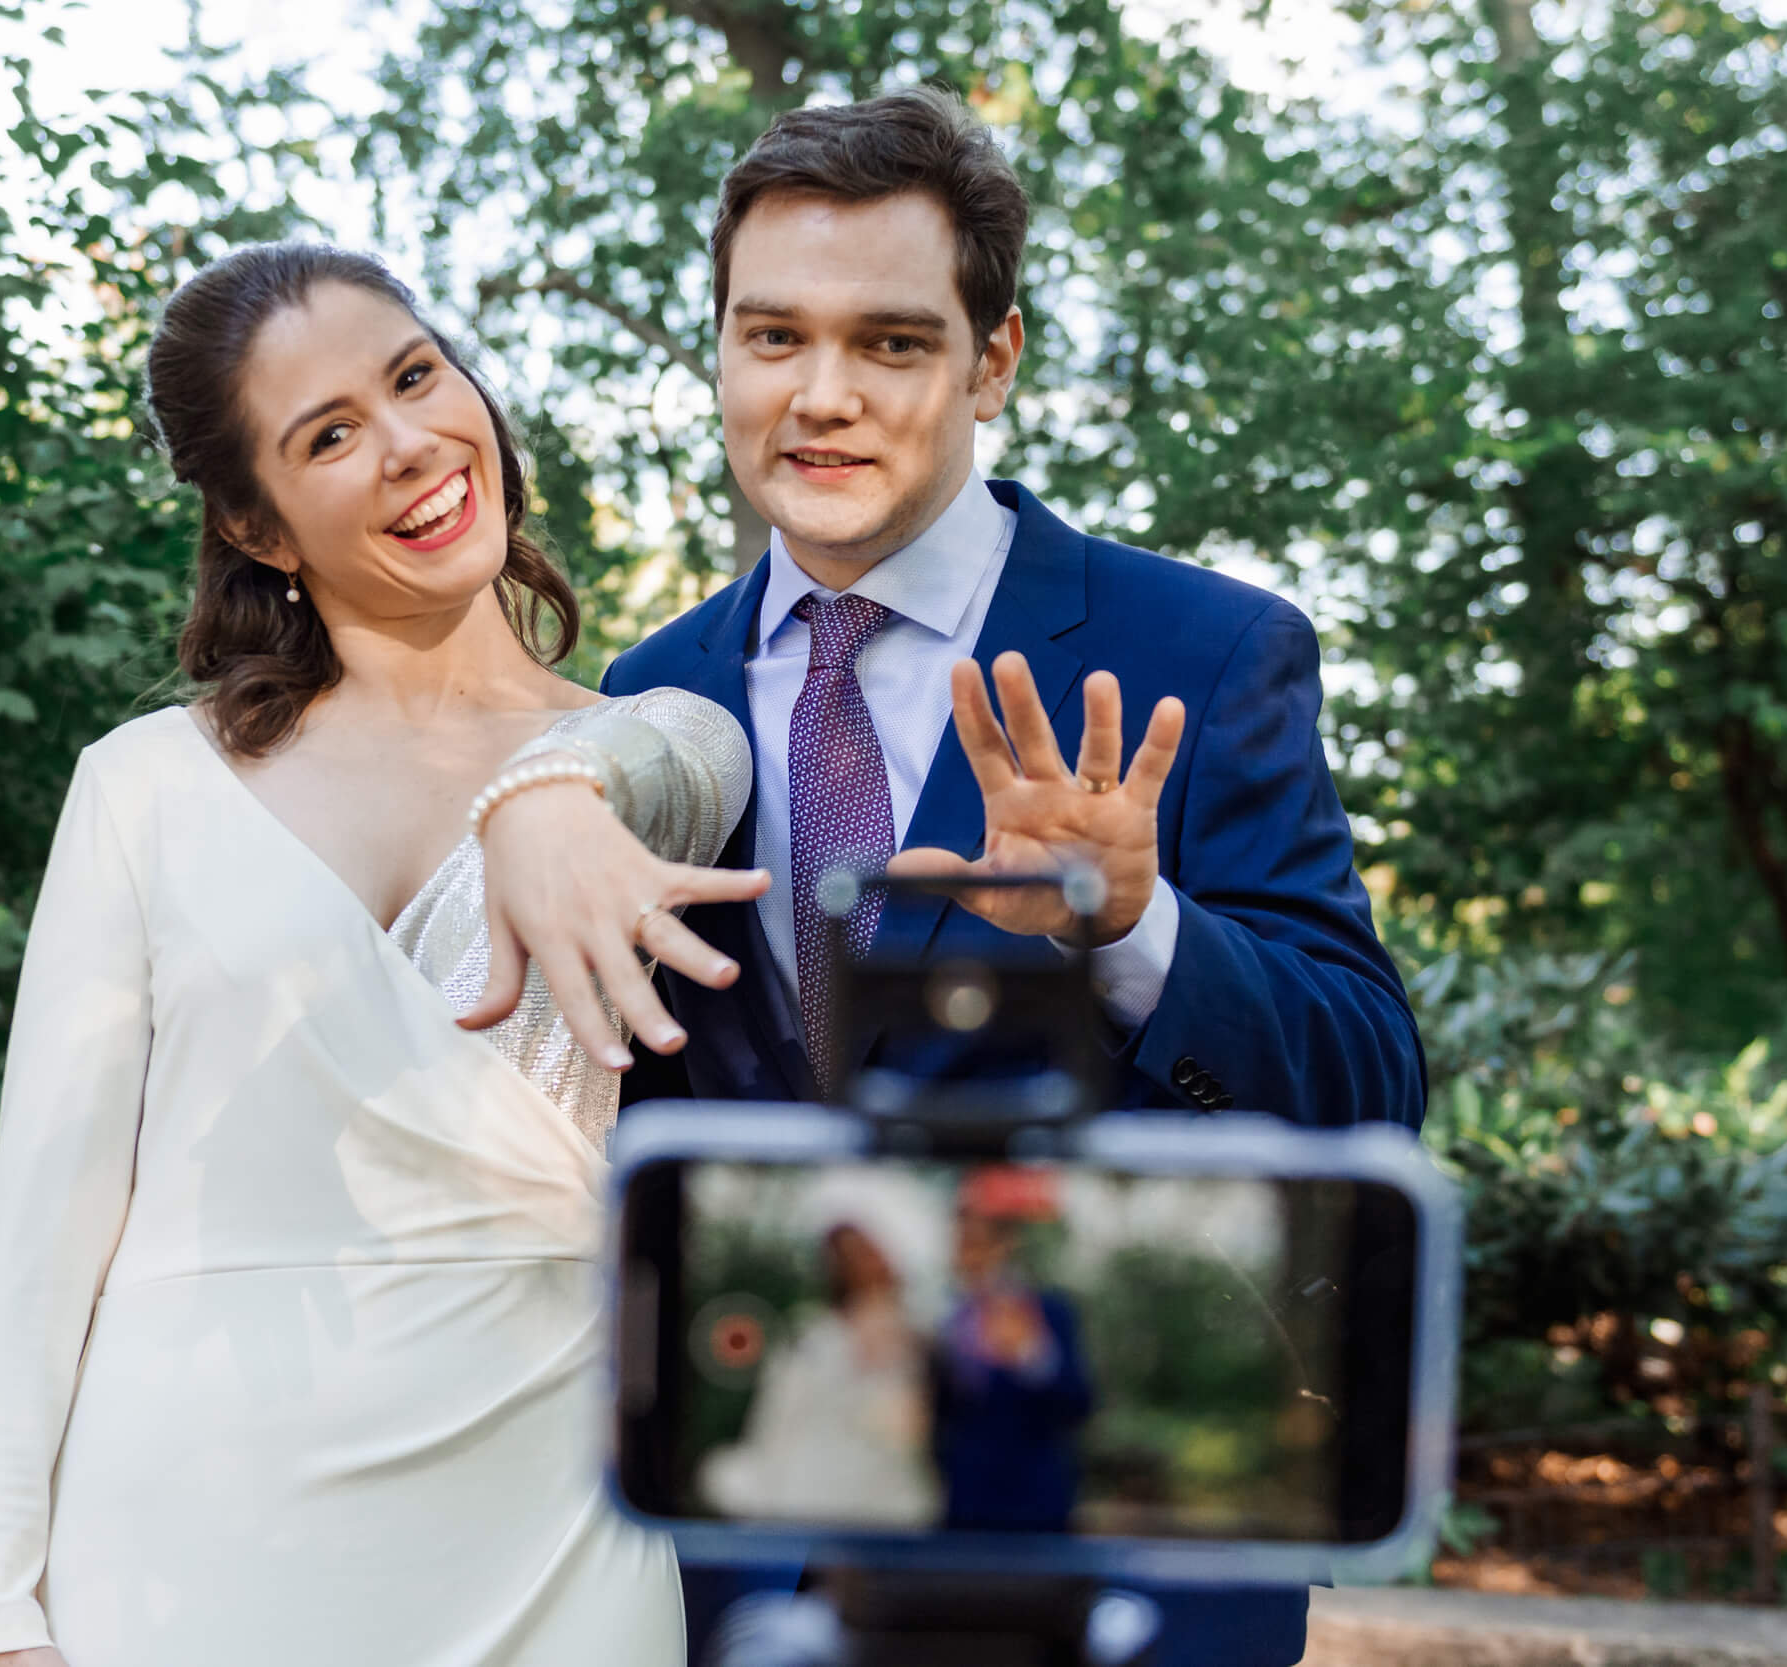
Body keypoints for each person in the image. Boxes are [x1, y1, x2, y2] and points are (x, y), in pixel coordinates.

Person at [476, 88, 1427, 1667]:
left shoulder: (1202, 650)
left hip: (1125, 1526)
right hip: (744, 1528)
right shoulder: (646, 704)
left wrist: (1137, 927)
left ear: (994, 360)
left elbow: (1367, 1085)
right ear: (718, 349)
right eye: (771, 336)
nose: (821, 396)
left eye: (894, 343)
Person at [0, 242, 772, 1667]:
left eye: (415, 375)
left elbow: (682, 747)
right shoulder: (142, 786)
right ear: (259, 527)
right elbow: (40, 1227)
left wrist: (549, 783)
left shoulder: (661, 741)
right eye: (329, 435)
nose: (409, 446)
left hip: (552, 1527)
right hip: (188, 1535)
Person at [699, 1218, 939, 1528]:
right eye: (849, 1256)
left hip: (874, 1495)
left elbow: (907, 1426)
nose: (861, 1266)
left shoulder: (910, 1331)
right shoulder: (812, 1333)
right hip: (811, 1489)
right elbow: (780, 1415)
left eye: (866, 1252)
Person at [930, 1178, 1094, 1534]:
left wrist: (1030, 1353)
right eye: (961, 1244)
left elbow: (1078, 1404)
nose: (968, 1257)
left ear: (1007, 1245)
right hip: (964, 1512)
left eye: (978, 1244)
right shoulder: (947, 1321)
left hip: (1037, 1510)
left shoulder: (1051, 1312)